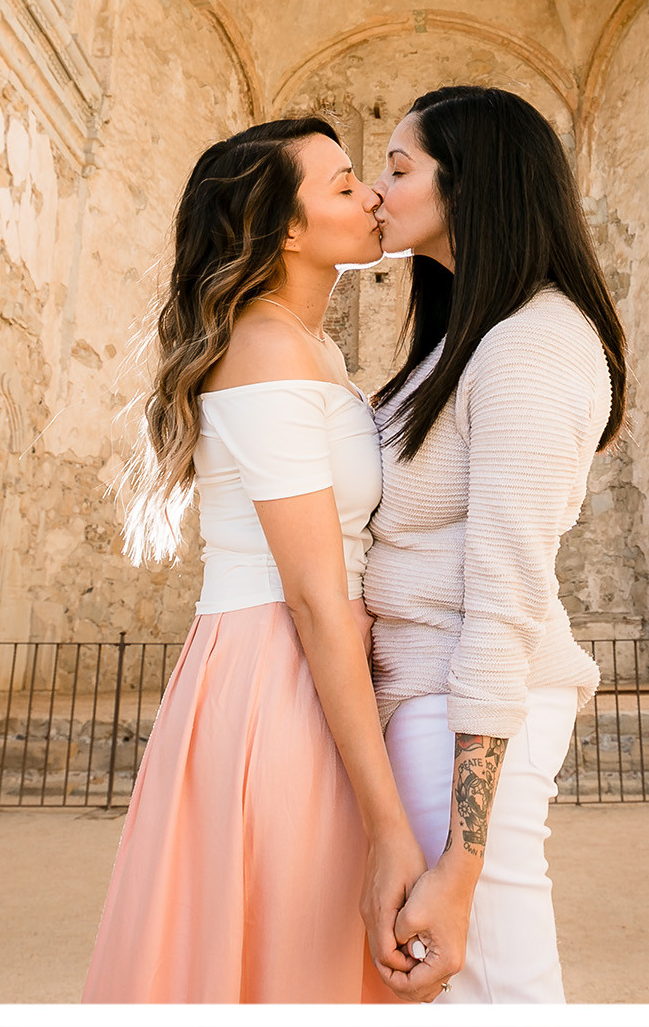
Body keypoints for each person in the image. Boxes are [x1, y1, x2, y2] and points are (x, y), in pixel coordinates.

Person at [83, 117, 426, 1003]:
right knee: (296, 940)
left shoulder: (310, 347)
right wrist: (390, 822)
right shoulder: (269, 347)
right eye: (345, 183)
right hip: (283, 672)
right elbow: (313, 594)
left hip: (312, 663)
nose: (372, 196)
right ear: (287, 230)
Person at [364, 85, 629, 1004]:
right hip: (423, 699)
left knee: (496, 993)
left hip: (465, 706)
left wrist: (463, 860)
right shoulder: (463, 342)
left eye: (399, 168)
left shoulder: (535, 343)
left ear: (469, 184)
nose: (376, 189)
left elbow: (508, 590)